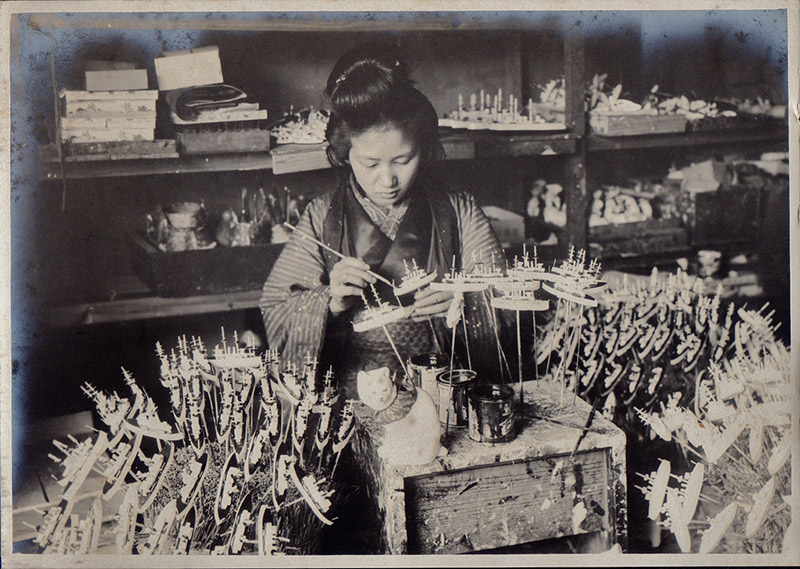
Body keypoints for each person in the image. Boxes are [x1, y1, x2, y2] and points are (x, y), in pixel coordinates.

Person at [259, 43, 506, 399]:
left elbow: (507, 302)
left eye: (403, 160)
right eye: (371, 164)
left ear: (424, 148)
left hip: (442, 385)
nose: (387, 180)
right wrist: (329, 301)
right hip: (353, 394)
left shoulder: (458, 210)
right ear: (346, 154)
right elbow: (277, 309)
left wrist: (462, 301)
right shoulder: (321, 216)